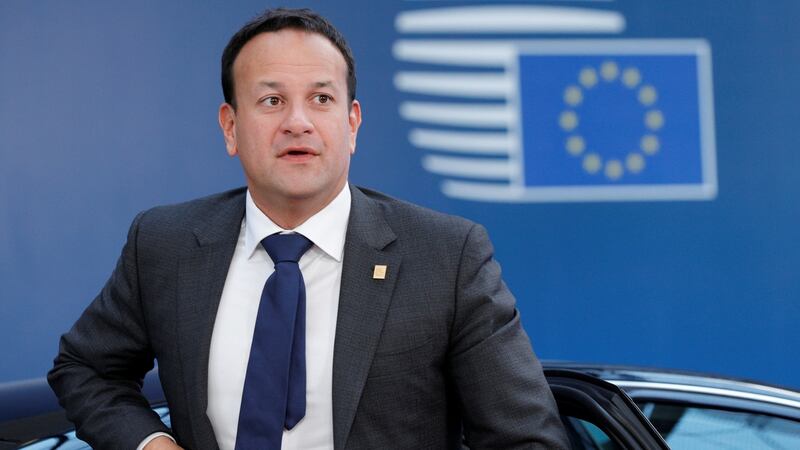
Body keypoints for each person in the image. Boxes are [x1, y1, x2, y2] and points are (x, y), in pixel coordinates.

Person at [48, 8, 569, 450]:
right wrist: (151, 444)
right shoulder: (166, 244)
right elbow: (86, 368)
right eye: (271, 100)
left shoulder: (447, 256)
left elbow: (526, 438)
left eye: (321, 99)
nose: (298, 122)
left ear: (352, 123)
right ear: (231, 127)